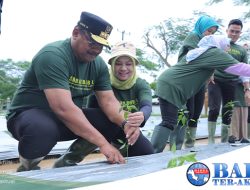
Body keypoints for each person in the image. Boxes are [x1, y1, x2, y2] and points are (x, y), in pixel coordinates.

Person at [6, 12, 147, 172]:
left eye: (101, 46)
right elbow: (63, 108)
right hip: (28, 117)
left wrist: (125, 122)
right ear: (76, 33)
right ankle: (27, 168)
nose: (97, 50)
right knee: (43, 129)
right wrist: (103, 144)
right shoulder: (53, 55)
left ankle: (67, 161)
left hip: (66, 120)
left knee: (111, 123)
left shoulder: (98, 65)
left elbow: (109, 102)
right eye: (93, 43)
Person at [53, 41, 154, 167]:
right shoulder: (103, 82)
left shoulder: (141, 84)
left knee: (147, 152)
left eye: (128, 64)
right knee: (103, 125)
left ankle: (121, 155)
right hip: (105, 129)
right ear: (111, 65)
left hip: (128, 129)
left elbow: (147, 106)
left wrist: (142, 116)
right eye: (118, 63)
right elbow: (94, 114)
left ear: (134, 66)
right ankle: (66, 161)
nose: (123, 68)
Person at [150, 34, 250, 153]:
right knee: (169, 121)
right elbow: (240, 68)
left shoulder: (201, 51)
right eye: (226, 46)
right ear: (219, 44)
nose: (228, 49)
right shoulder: (215, 52)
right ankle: (152, 153)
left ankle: (174, 152)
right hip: (172, 86)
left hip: (171, 84)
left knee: (182, 118)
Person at [168, 15, 219, 150]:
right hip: (186, 80)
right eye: (208, 31)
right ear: (202, 28)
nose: (210, 34)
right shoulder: (193, 36)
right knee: (185, 112)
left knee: (195, 112)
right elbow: (195, 57)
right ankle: (175, 146)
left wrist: (210, 72)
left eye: (213, 32)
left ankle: (190, 145)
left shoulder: (208, 42)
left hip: (199, 82)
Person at [207, 19, 249, 144]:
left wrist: (247, 89)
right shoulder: (218, 44)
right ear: (227, 30)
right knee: (214, 109)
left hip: (232, 83)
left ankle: (224, 142)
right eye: (232, 31)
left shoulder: (241, 50)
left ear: (240, 33)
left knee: (228, 110)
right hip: (216, 81)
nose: (234, 34)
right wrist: (210, 73)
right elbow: (209, 59)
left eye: (237, 32)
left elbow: (244, 72)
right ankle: (210, 141)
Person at [229, 41, 250, 144]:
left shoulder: (245, 55)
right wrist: (247, 88)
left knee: (245, 108)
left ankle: (244, 136)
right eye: (244, 46)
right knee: (237, 107)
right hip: (240, 83)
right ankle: (234, 135)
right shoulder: (239, 55)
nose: (246, 48)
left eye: (247, 47)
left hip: (245, 83)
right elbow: (243, 71)